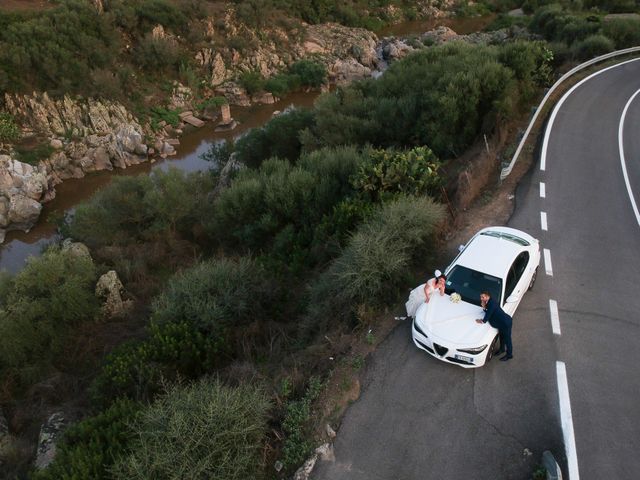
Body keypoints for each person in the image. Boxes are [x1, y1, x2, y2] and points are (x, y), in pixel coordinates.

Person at [475, 291, 513, 361]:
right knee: (502, 337)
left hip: (505, 323)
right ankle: (502, 349)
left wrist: (482, 321)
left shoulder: (491, 303)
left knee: (508, 340)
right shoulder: (489, 302)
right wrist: (484, 307)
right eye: (481, 297)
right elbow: (490, 311)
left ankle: (509, 355)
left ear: (487, 296)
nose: (481, 299)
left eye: (482, 297)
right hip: (501, 323)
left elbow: (488, 314)